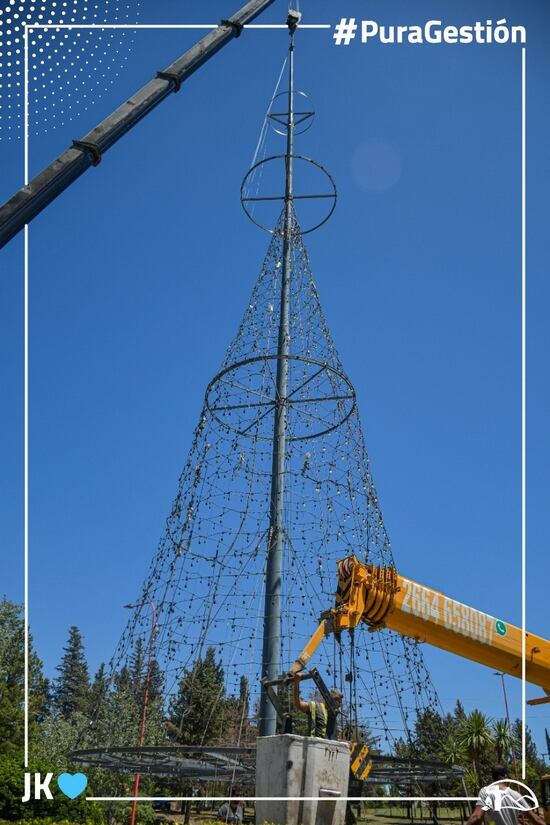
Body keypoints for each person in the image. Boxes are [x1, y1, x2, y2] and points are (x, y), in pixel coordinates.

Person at [465, 765, 546, 825]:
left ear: (493, 778)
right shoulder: (516, 795)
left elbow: (476, 817)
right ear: (505, 777)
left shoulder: (486, 792)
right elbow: (536, 819)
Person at [293, 672, 343, 739]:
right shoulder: (316, 706)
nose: (338, 704)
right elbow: (299, 705)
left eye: (340, 702)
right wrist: (296, 683)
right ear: (328, 697)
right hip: (315, 745)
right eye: (336, 699)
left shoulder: (334, 716)